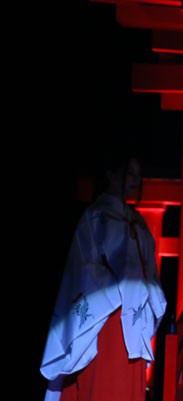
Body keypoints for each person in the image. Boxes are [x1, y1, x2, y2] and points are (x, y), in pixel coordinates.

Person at [40, 149, 167, 401]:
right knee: (104, 384)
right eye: (129, 173)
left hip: (134, 320)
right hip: (104, 318)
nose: (134, 180)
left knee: (126, 383)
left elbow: (149, 270)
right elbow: (84, 265)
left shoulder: (138, 222)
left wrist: (148, 292)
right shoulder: (96, 216)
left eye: (138, 175)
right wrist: (122, 289)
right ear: (111, 174)